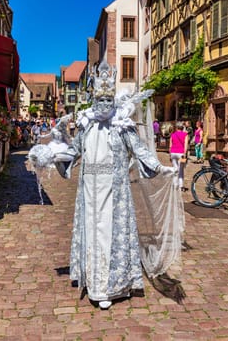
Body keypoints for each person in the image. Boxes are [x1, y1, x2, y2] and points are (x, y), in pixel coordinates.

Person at [28, 60, 183, 310]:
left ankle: (110, 286)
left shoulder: (122, 126)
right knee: (93, 234)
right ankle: (93, 283)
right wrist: (50, 155)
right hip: (89, 192)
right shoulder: (86, 126)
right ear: (93, 101)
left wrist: (159, 167)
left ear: (112, 101)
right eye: (99, 101)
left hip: (115, 192)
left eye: (107, 101)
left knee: (109, 235)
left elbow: (140, 150)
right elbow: (74, 152)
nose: (103, 106)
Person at [169, 121, 188, 192]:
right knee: (181, 170)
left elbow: (170, 145)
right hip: (181, 154)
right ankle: (181, 186)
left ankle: (175, 185)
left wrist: (170, 154)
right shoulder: (185, 134)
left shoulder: (172, 134)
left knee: (175, 169)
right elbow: (186, 145)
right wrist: (185, 154)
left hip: (173, 153)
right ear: (182, 127)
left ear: (176, 127)